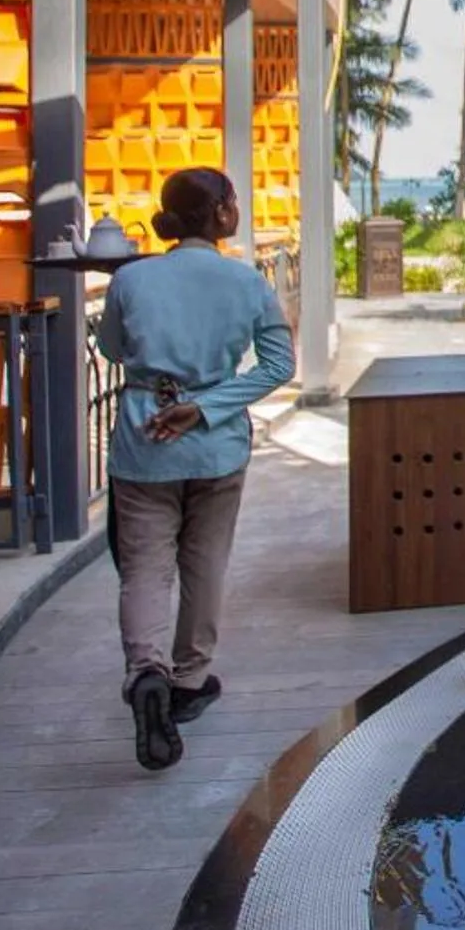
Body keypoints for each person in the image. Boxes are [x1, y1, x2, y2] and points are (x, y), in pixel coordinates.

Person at [95, 167, 294, 771]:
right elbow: (277, 366)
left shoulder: (130, 279)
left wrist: (165, 383)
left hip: (143, 437)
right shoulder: (247, 283)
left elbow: (110, 348)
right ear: (221, 214)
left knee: (146, 569)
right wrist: (204, 406)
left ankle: (145, 674)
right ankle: (189, 679)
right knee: (204, 562)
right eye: (233, 201)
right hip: (215, 444)